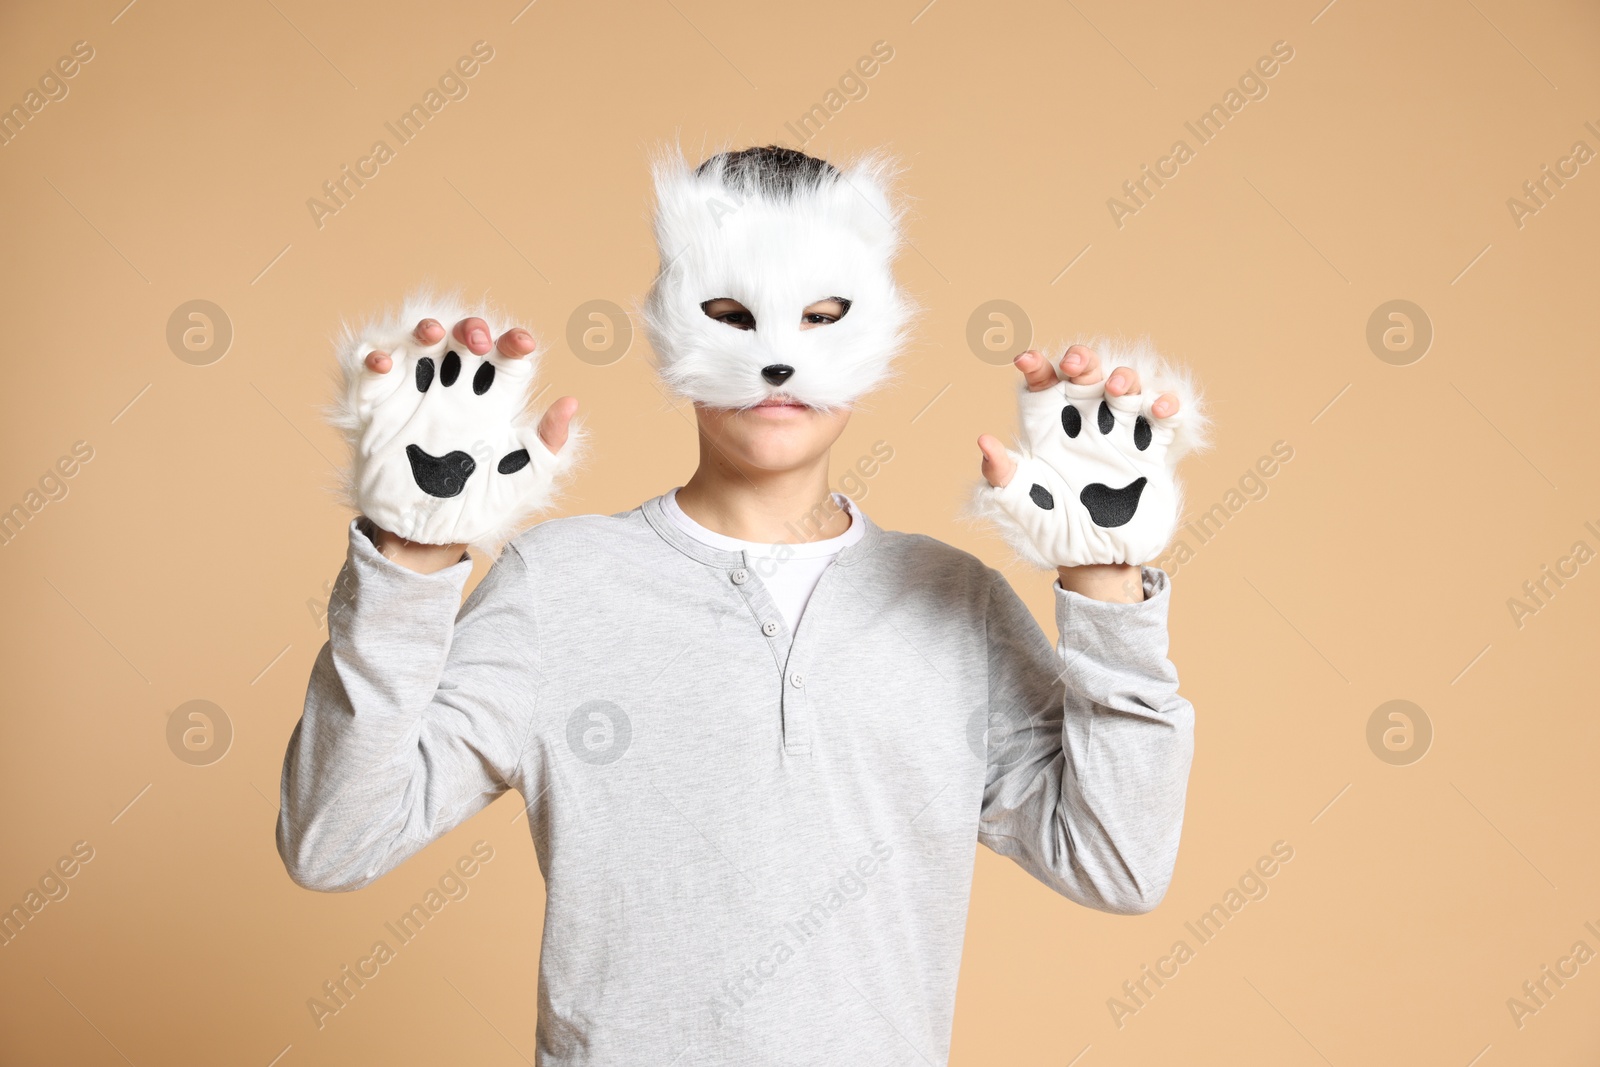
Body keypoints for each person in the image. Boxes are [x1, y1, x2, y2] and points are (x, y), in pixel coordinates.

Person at [277, 145, 1204, 1066]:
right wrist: (410, 552)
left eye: (820, 317)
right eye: (731, 315)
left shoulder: (954, 603)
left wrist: (1106, 578)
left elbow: (1118, 862)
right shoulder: (561, 584)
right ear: (675, 328)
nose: (778, 359)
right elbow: (334, 840)